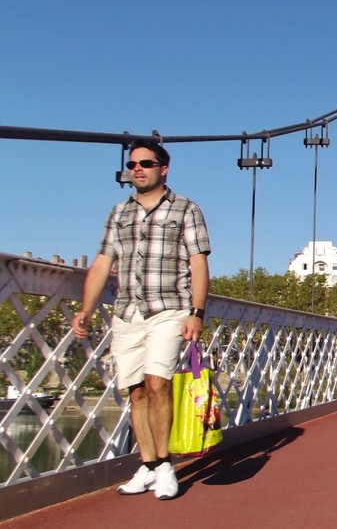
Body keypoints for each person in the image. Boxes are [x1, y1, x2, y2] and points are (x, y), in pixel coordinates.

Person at [71, 140, 211, 500]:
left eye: (146, 163)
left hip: (169, 308)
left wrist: (197, 312)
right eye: (132, 163)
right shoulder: (118, 213)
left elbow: (198, 262)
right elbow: (103, 262)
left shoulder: (186, 209)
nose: (137, 168)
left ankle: (165, 465)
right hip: (127, 312)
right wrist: (86, 308)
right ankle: (147, 465)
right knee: (135, 390)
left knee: (157, 382)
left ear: (163, 168)